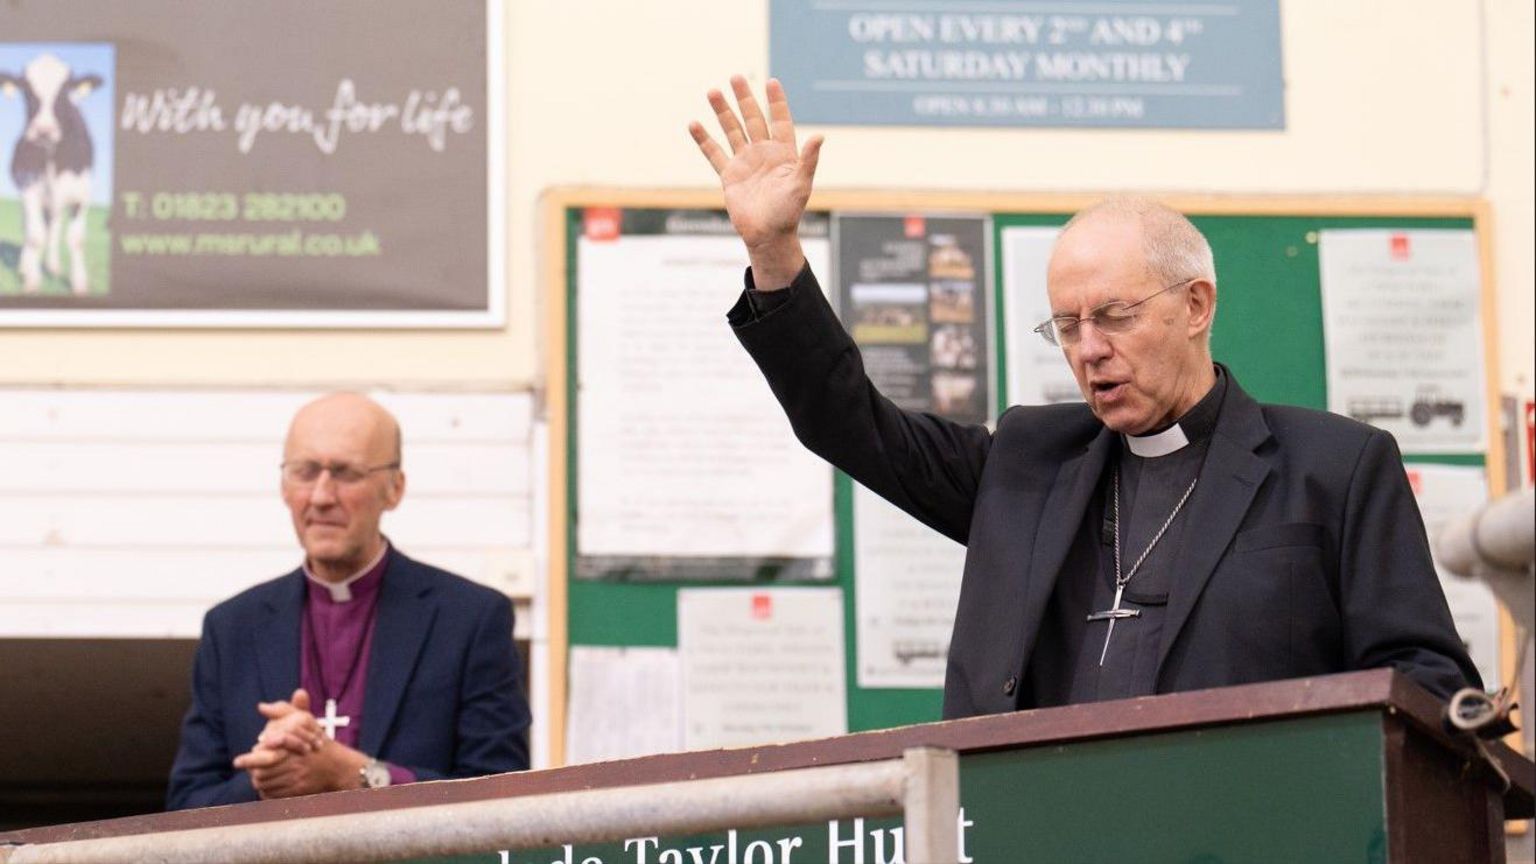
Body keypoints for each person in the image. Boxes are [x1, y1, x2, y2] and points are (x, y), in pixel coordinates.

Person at [688, 77, 1479, 717]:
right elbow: (847, 421)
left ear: (1196, 305)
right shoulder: (1027, 466)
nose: (1089, 349)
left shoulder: (1333, 469)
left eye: (1114, 317)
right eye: (1066, 326)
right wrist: (774, 250)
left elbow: (1425, 679)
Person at [167, 393, 530, 809]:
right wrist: (268, 775)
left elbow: (501, 796)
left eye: (346, 473)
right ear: (284, 487)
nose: (321, 496)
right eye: (304, 472)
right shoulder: (232, 628)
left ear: (394, 489)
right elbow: (186, 806)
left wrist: (356, 774)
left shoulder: (469, 620)